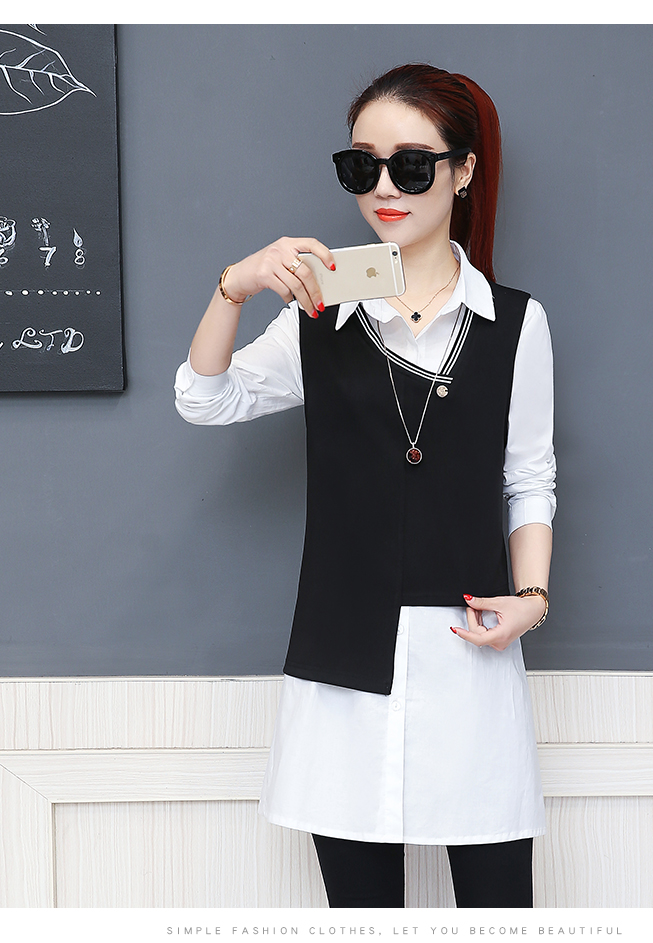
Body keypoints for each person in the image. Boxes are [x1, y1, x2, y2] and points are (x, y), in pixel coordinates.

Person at [174, 63, 556, 909]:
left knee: (499, 910)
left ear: (463, 171)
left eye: (411, 166)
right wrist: (234, 286)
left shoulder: (515, 324)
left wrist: (532, 597)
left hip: (468, 652)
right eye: (362, 166)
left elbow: (529, 474)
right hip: (341, 665)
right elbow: (205, 398)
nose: (384, 188)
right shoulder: (319, 315)